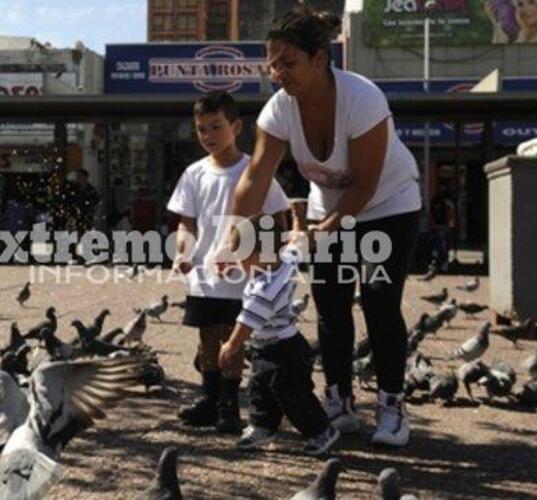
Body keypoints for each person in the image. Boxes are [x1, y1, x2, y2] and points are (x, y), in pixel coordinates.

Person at [219, 5, 421, 447]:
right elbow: (255, 176)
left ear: (318, 59)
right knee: (330, 305)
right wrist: (233, 235)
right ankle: (340, 401)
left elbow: (365, 183)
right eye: (271, 63)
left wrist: (329, 227)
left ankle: (391, 406)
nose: (277, 73)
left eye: (287, 63)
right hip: (325, 208)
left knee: (379, 299)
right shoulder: (278, 110)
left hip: (389, 205)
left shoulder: (362, 98)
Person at [167, 91, 289, 434]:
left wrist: (264, 257)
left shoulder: (255, 170)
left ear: (236, 127)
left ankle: (230, 403)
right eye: (201, 129)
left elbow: (278, 217)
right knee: (207, 337)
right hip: (204, 274)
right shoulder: (193, 174)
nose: (208, 136)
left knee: (231, 339)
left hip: (240, 274)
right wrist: (183, 250)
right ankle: (208, 397)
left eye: (216, 127)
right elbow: (186, 221)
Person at [218, 214, 339, 455]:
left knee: (292, 395)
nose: (238, 261)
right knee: (260, 387)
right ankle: (262, 426)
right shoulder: (283, 260)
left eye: (241, 256)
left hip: (282, 351)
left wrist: (231, 346)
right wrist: (297, 217)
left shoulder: (266, 290)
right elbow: (297, 244)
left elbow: (247, 321)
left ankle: (321, 430)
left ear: (260, 254)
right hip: (275, 345)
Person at [430, 188, 455, 271]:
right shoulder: (447, 203)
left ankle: (436, 263)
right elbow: (450, 215)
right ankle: (442, 263)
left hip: (439, 227)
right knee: (443, 246)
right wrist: (450, 225)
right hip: (443, 226)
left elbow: (432, 214)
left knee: (438, 245)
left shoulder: (435, 201)